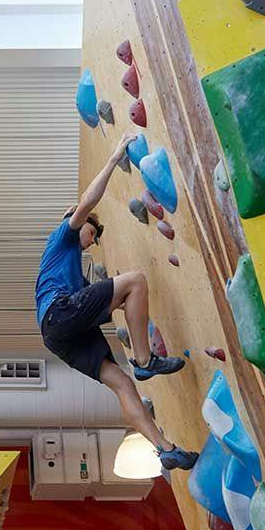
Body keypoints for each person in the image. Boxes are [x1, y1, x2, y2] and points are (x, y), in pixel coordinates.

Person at [34, 131, 197, 471]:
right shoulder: (62, 237)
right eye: (91, 234)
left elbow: (113, 303)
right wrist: (113, 158)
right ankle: (144, 359)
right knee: (136, 279)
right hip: (58, 315)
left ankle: (164, 449)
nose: (91, 243)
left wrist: (123, 303)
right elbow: (87, 203)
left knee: (121, 382)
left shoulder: (71, 275)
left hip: (59, 333)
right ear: (75, 224)